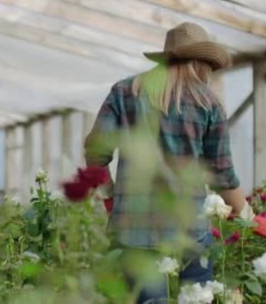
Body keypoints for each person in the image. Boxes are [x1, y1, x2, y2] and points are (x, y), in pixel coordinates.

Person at [84, 22, 255, 303]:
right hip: (191, 227)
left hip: (135, 225)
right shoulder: (209, 104)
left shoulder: (125, 91)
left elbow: (95, 152)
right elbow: (221, 173)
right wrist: (249, 215)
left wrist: (110, 196)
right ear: (203, 63)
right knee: (198, 296)